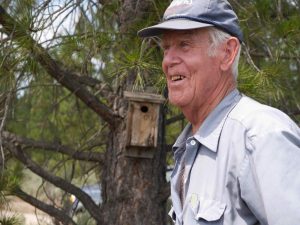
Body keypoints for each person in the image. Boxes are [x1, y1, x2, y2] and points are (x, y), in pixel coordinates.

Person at [138, 0, 300, 225]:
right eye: (166, 48)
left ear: (227, 53)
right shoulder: (189, 147)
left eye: (184, 45)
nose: (168, 61)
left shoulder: (260, 137)